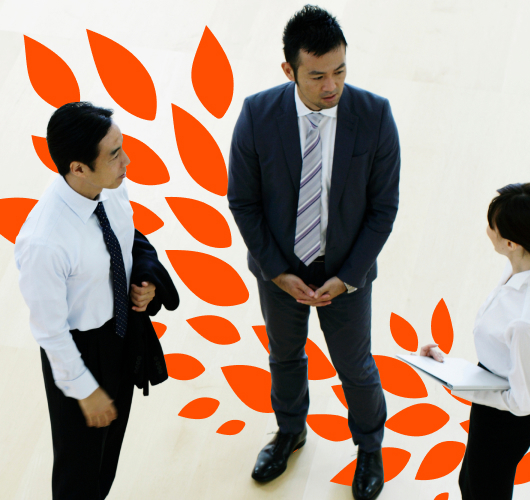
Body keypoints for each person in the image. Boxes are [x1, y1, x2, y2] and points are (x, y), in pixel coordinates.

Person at [225, 5, 400, 499]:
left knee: (356, 365)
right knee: (284, 356)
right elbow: (244, 200)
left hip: (346, 274)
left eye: (341, 70)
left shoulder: (374, 115)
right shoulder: (258, 115)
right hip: (279, 271)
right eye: (318, 75)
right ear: (289, 70)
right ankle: (290, 432)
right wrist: (278, 272)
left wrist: (347, 277)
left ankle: (369, 449)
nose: (332, 86)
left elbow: (383, 209)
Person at [14, 101, 175, 499]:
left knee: (107, 458)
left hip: (120, 333)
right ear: (78, 167)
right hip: (80, 353)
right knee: (78, 473)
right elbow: (50, 332)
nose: (128, 160)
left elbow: (129, 241)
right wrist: (85, 390)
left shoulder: (110, 188)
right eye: (116, 154)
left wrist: (145, 280)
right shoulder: (45, 243)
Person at [417, 182, 530, 499]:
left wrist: (457, 381)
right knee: (471, 481)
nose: (488, 230)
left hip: (506, 416)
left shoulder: (525, 324)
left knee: (485, 490)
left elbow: (524, 403)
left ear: (512, 243)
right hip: (503, 381)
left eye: (492, 226)